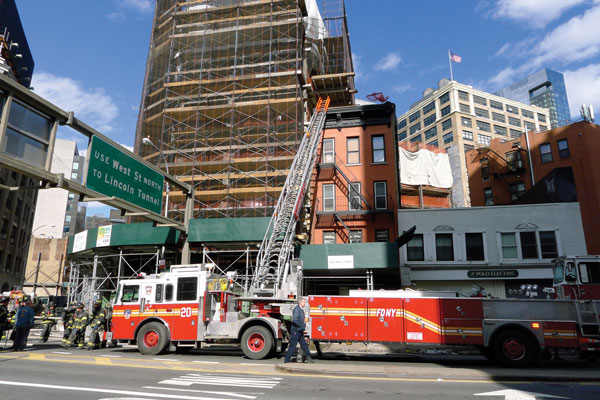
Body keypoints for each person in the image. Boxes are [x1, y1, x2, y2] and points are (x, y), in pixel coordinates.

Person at [284, 297, 314, 363]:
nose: (305, 303)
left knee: (304, 344)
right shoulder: (297, 309)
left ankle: (308, 357)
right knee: (292, 346)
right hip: (296, 330)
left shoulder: (300, 309)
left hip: (299, 330)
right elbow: (295, 320)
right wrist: (301, 326)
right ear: (300, 302)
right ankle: (287, 360)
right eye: (303, 302)